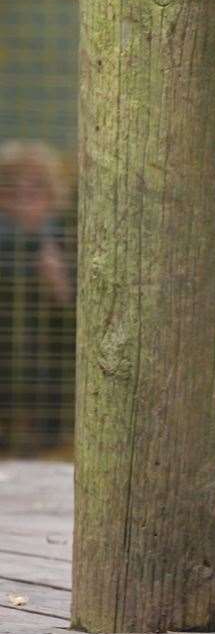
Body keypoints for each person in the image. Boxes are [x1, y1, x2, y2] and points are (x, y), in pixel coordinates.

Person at [0, 141, 75, 451]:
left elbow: (73, 316)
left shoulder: (61, 236)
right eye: (12, 191)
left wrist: (56, 279)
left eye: (33, 192)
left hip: (46, 367)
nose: (22, 202)